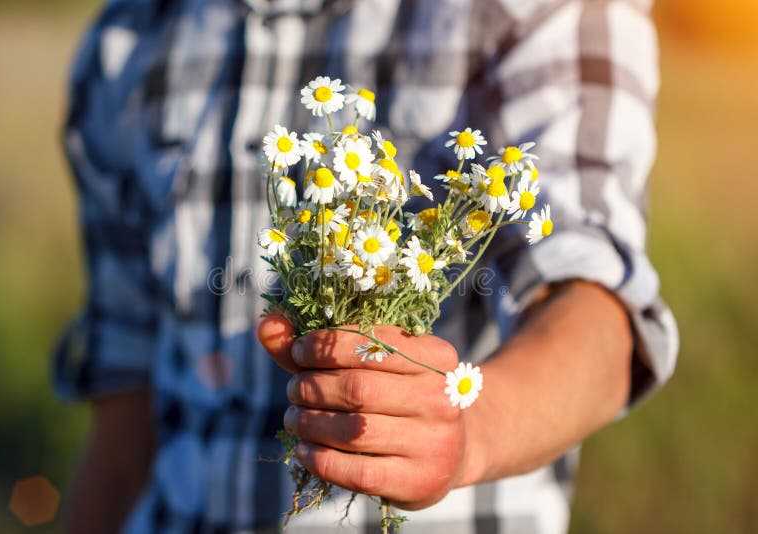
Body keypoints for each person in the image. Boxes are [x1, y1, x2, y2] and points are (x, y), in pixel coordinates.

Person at [54, 0, 678, 532]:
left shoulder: (533, 11)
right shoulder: (126, 42)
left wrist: (466, 434)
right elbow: (125, 413)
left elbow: (601, 308)